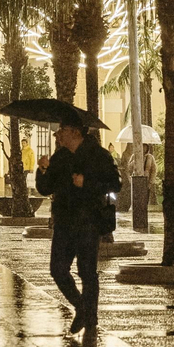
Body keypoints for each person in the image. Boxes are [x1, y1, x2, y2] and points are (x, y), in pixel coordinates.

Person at [35, 120, 121, 334]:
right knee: (57, 269)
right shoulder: (60, 157)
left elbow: (115, 184)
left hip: (89, 221)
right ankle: (82, 308)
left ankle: (90, 319)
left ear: (75, 131)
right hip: (64, 221)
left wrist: (87, 182)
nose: (57, 135)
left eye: (62, 130)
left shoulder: (98, 155)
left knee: (87, 271)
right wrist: (43, 170)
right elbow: (45, 188)